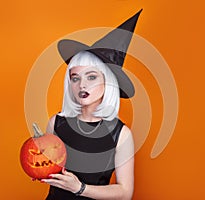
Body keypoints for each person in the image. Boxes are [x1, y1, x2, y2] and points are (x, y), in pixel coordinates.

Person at [41, 9, 142, 200]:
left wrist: (79, 188)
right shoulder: (56, 123)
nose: (82, 85)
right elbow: (45, 167)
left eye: (92, 77)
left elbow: (125, 193)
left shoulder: (121, 135)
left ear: (109, 82)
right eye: (75, 78)